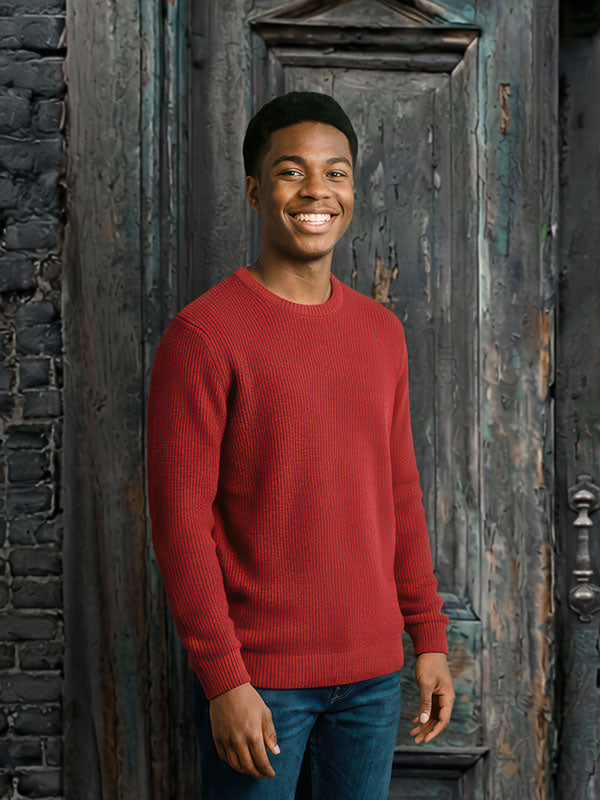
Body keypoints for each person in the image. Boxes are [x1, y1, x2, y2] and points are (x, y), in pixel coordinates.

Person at [146, 90, 455, 799]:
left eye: (336, 173)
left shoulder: (381, 334)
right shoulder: (203, 337)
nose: (317, 190)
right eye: (292, 172)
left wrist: (429, 639)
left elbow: (399, 494)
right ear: (257, 191)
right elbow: (181, 525)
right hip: (261, 682)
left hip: (374, 681)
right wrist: (225, 678)